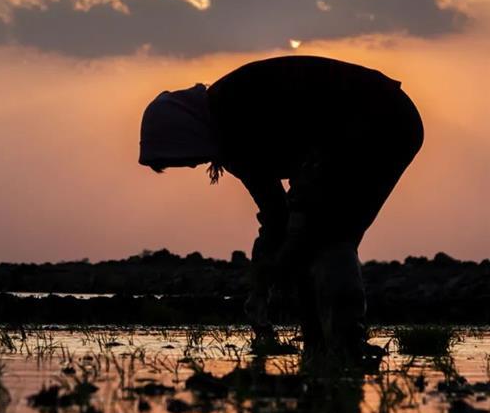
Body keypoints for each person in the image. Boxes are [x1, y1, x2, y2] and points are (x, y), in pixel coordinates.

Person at [138, 55, 424, 364]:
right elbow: (275, 213)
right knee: (315, 237)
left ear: (184, 131)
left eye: (183, 157)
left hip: (380, 122)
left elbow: (309, 175)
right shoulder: (227, 136)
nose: (194, 163)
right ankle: (321, 346)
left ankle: (344, 344)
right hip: (363, 130)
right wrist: (263, 274)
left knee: (330, 235)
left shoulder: (237, 110)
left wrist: (284, 255)